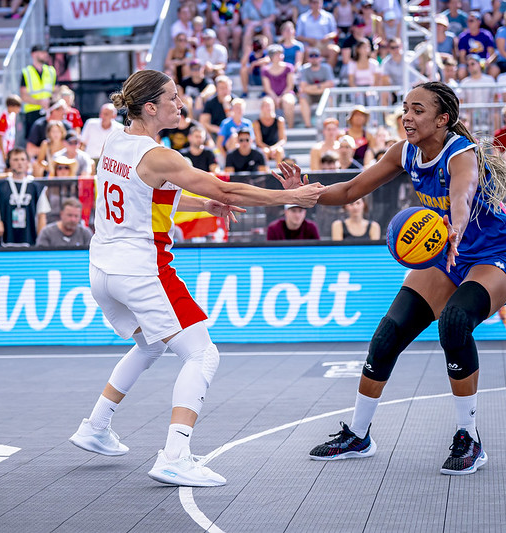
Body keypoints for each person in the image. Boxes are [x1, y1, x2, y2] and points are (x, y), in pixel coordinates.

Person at [68, 69, 325, 487]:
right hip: (141, 269)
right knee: (203, 355)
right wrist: (289, 196)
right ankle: (175, 456)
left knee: (150, 346)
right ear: (151, 107)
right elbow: (225, 190)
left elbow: (152, 192)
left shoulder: (115, 140)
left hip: (102, 267)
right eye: (172, 97)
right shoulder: (161, 156)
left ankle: (95, 427)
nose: (181, 104)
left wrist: (203, 207)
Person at [298, 81, 506, 475]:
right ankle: (358, 434)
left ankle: (469, 438)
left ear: (443, 120)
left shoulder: (461, 153)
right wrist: (301, 193)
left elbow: (463, 192)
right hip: (445, 255)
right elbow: (352, 189)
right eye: (405, 108)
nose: (407, 116)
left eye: (418, 110)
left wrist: (455, 226)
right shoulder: (404, 152)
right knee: (388, 334)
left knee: (454, 323)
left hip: (494, 255)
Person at [0, 148, 50, 247]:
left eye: (22, 159)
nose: (19, 163)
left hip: (30, 242)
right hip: (5, 241)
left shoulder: (36, 187)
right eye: (16, 159)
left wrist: (40, 242)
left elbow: (41, 216)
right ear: (9, 162)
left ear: (27, 162)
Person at [20, 44, 56, 136]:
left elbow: (56, 90)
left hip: (49, 112)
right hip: (32, 112)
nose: (45, 54)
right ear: (34, 54)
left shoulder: (51, 71)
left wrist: (50, 102)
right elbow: (23, 95)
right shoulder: (27, 72)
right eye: (42, 52)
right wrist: (39, 102)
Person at [297, 46, 335, 128]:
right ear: (308, 58)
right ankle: (308, 125)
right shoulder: (304, 69)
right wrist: (320, 87)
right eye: (311, 56)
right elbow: (303, 88)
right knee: (302, 97)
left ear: (320, 58)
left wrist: (312, 88)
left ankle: (329, 124)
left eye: (316, 56)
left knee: (329, 97)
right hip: (312, 94)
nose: (314, 58)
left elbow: (330, 84)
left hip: (323, 94)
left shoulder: (326, 68)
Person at [260, 44, 297, 127]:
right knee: (267, 103)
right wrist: (275, 98)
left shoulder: (289, 67)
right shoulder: (265, 70)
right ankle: (270, 128)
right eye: (276, 54)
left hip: (287, 93)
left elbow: (290, 86)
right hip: (271, 95)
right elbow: (267, 88)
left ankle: (290, 127)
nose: (279, 56)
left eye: (280, 54)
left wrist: (280, 97)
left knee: (287, 101)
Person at [252, 95, 286, 164]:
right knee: (265, 151)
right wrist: (269, 149)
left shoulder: (280, 121)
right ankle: (265, 172)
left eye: (270, 105)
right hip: (263, 148)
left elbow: (283, 139)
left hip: (276, 147)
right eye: (266, 105)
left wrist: (273, 148)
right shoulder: (256, 123)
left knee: (279, 151)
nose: (269, 108)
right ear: (262, 108)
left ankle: (280, 172)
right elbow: (258, 142)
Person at [0, 94, 21, 163]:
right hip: (3, 148)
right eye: (17, 107)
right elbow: (0, 136)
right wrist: (3, 153)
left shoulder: (13, 115)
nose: (19, 109)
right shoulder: (4, 118)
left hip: (10, 146)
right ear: (10, 107)